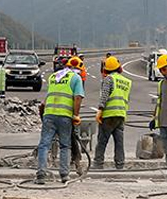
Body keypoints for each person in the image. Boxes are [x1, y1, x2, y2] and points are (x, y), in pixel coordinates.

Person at [36, 56, 84, 184]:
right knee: (65, 145)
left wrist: (43, 112)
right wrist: (76, 115)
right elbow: (78, 97)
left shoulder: (54, 77)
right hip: (65, 115)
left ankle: (41, 174)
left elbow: (47, 98)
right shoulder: (76, 78)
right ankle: (64, 175)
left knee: (44, 144)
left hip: (49, 114)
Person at [94, 55, 132, 170]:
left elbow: (104, 95)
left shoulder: (109, 79)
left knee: (102, 140)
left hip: (109, 115)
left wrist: (100, 110)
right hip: (121, 115)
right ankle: (120, 165)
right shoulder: (127, 81)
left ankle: (98, 164)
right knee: (119, 142)